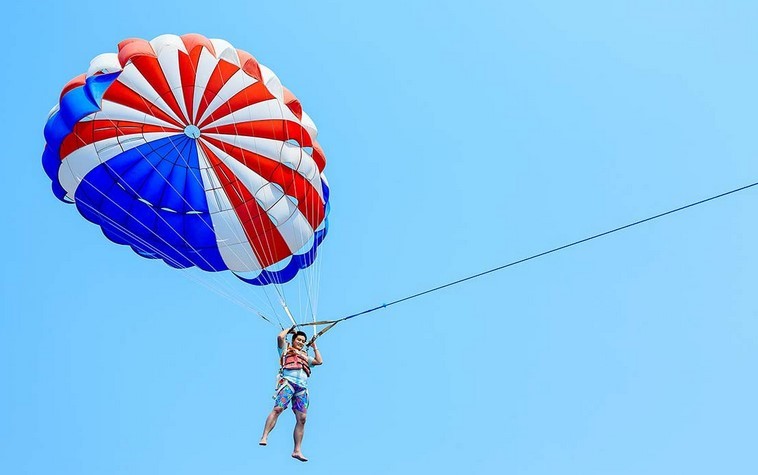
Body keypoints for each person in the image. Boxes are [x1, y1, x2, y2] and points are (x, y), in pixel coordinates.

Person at [259, 325, 323, 462]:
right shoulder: (285, 349)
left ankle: (297, 450)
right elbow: (280, 337)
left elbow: (319, 361)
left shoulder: (305, 356)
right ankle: (264, 436)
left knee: (302, 419)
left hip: (302, 388)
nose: (300, 342)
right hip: (288, 383)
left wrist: (314, 346)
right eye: (298, 340)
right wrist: (290, 329)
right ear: (293, 340)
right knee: (278, 409)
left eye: (303, 341)